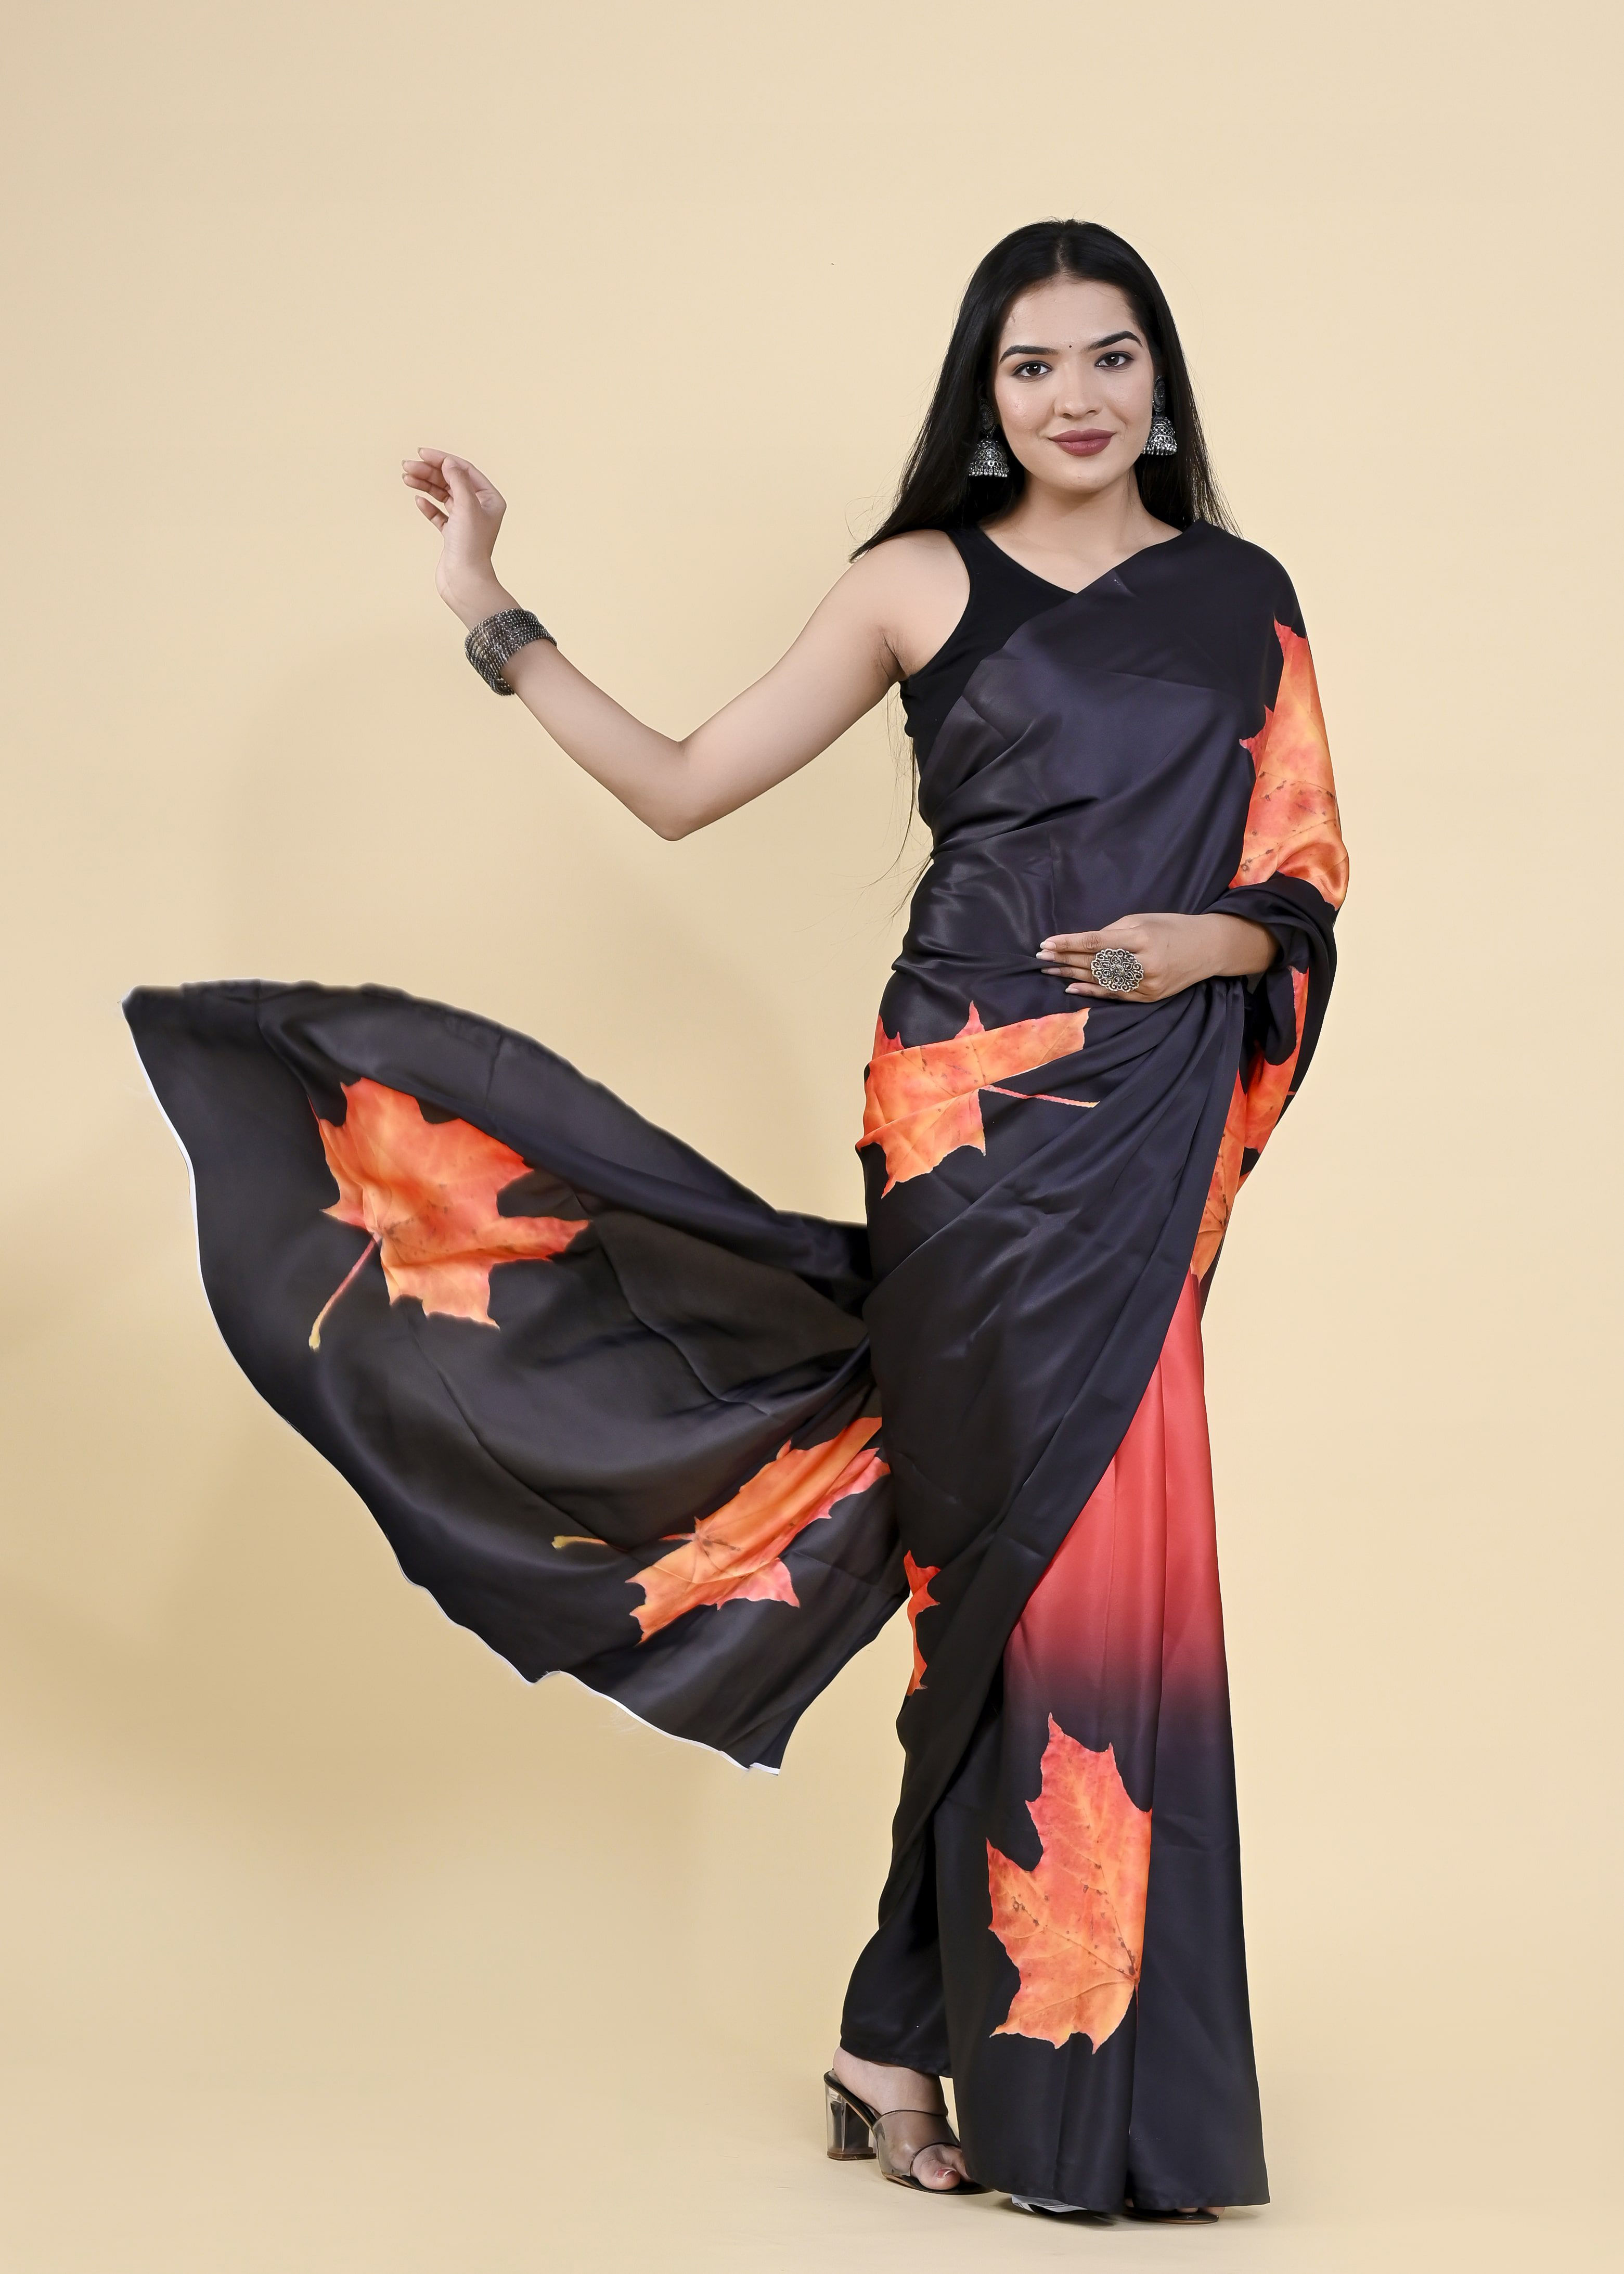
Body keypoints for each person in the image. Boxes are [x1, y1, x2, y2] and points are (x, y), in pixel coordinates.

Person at [125, 219, 1347, 2222]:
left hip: (1138, 1124)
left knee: (1089, 1572)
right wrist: (493, 608)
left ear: (1159, 377)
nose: (1075, 397)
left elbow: (1297, 872)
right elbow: (686, 783)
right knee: (988, 1574)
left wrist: (1196, 948)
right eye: (1031, 364)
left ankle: (914, 2042)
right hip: (964, 1135)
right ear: (984, 394)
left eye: (1110, 356)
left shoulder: (1241, 595)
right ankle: (956, 2055)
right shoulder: (913, 579)